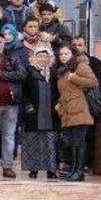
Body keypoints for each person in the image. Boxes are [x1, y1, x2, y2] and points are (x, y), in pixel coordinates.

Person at [0, 32, 27, 179]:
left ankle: (8, 166)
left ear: (4, 44)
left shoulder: (12, 59)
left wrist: (2, 73)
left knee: (9, 137)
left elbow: (22, 74)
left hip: (11, 104)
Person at [55, 44, 99, 182]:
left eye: (66, 53)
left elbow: (93, 82)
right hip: (68, 111)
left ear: (72, 54)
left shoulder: (80, 66)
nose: (63, 56)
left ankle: (79, 172)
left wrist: (74, 78)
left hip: (79, 109)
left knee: (79, 142)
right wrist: (59, 104)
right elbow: (66, 91)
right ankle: (73, 169)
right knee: (71, 142)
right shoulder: (62, 70)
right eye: (61, 54)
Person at [22, 44, 60, 179]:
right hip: (33, 113)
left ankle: (52, 169)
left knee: (51, 142)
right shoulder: (29, 72)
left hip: (51, 113)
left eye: (45, 56)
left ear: (50, 58)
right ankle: (33, 169)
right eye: (40, 56)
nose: (43, 59)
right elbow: (24, 91)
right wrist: (28, 105)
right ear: (34, 57)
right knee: (33, 142)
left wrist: (59, 104)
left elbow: (60, 91)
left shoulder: (55, 73)